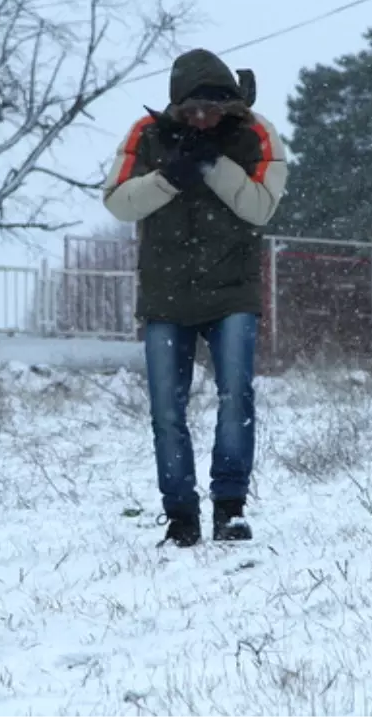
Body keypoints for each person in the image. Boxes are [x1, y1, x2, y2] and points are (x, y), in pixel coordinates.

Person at [101, 48, 288, 547]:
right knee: (166, 409)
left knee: (236, 397)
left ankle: (230, 508)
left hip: (233, 292)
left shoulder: (258, 136)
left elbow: (260, 208)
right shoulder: (146, 136)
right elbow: (118, 202)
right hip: (166, 295)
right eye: (192, 110)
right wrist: (169, 176)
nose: (203, 118)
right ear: (177, 108)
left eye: (213, 109)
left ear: (231, 106)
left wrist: (213, 165)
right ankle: (181, 516)